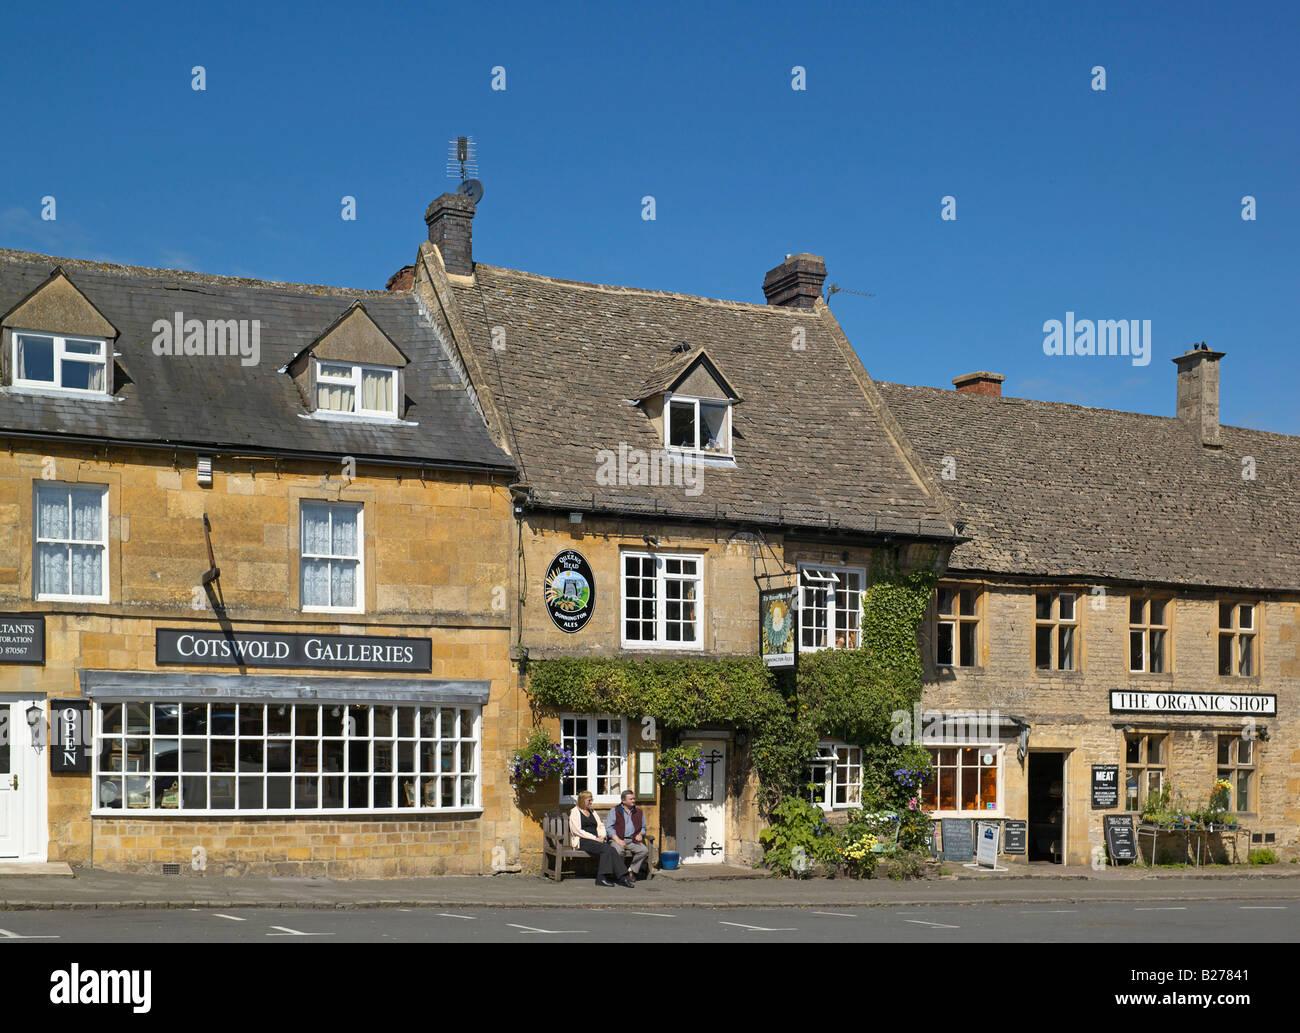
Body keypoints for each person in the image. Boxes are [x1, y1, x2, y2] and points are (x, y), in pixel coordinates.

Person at [569, 790, 633, 887]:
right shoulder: (575, 812)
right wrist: (595, 838)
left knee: (611, 849)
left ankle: (621, 877)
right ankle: (605, 878)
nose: (591, 802)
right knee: (607, 849)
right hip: (583, 841)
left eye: (592, 800)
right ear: (582, 800)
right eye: (589, 800)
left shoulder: (592, 811)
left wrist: (602, 836)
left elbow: (600, 825)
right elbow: (577, 830)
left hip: (596, 840)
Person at [605, 789, 650, 881]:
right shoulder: (615, 811)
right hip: (617, 839)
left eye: (634, 799)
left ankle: (631, 870)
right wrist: (618, 840)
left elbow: (643, 827)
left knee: (644, 850)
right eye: (631, 799)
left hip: (632, 839)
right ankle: (621, 873)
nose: (633, 801)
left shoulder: (638, 811)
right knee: (619, 851)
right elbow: (609, 828)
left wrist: (641, 834)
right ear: (623, 801)